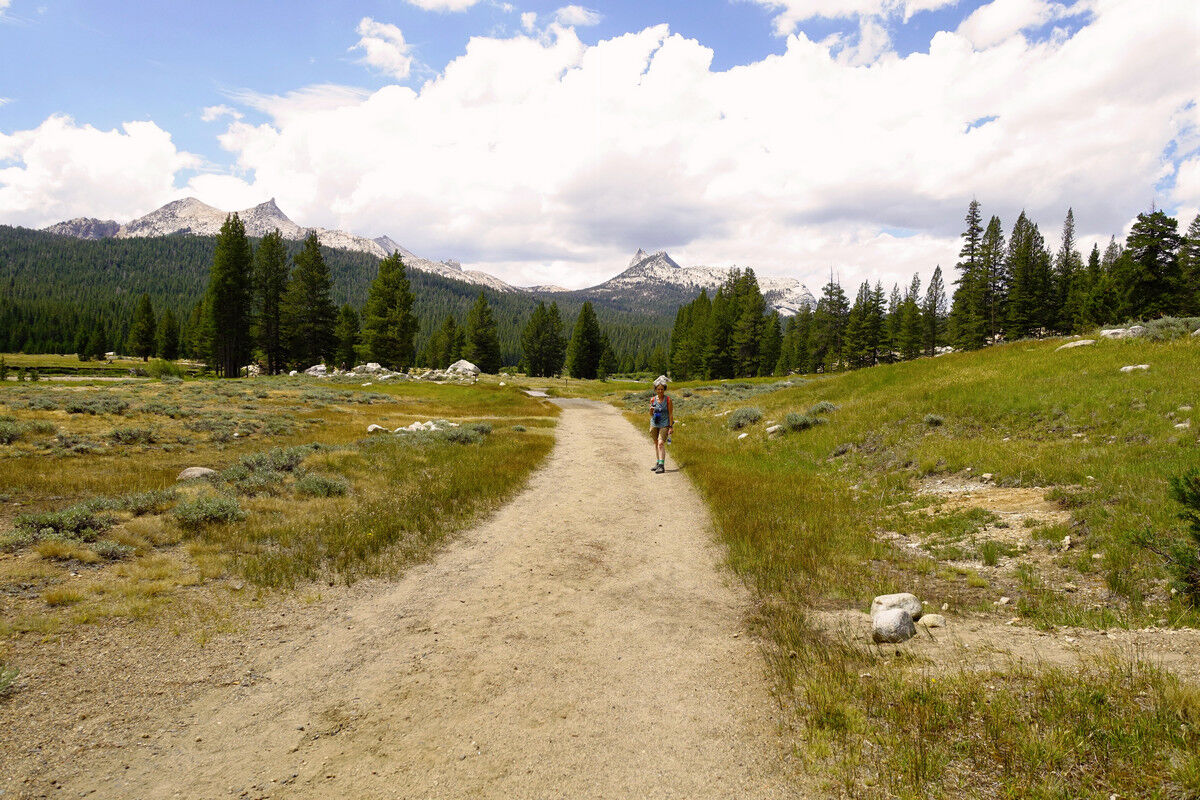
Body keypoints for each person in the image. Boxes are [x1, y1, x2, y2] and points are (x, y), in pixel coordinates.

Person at [649, 375, 673, 474]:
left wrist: (671, 426)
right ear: (655, 390)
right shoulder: (652, 400)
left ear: (664, 389)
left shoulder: (668, 400)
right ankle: (658, 462)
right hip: (654, 423)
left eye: (662, 389)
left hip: (664, 424)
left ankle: (662, 466)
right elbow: (651, 414)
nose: (660, 391)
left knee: (660, 443)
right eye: (658, 389)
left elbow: (671, 414)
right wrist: (650, 410)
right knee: (655, 443)